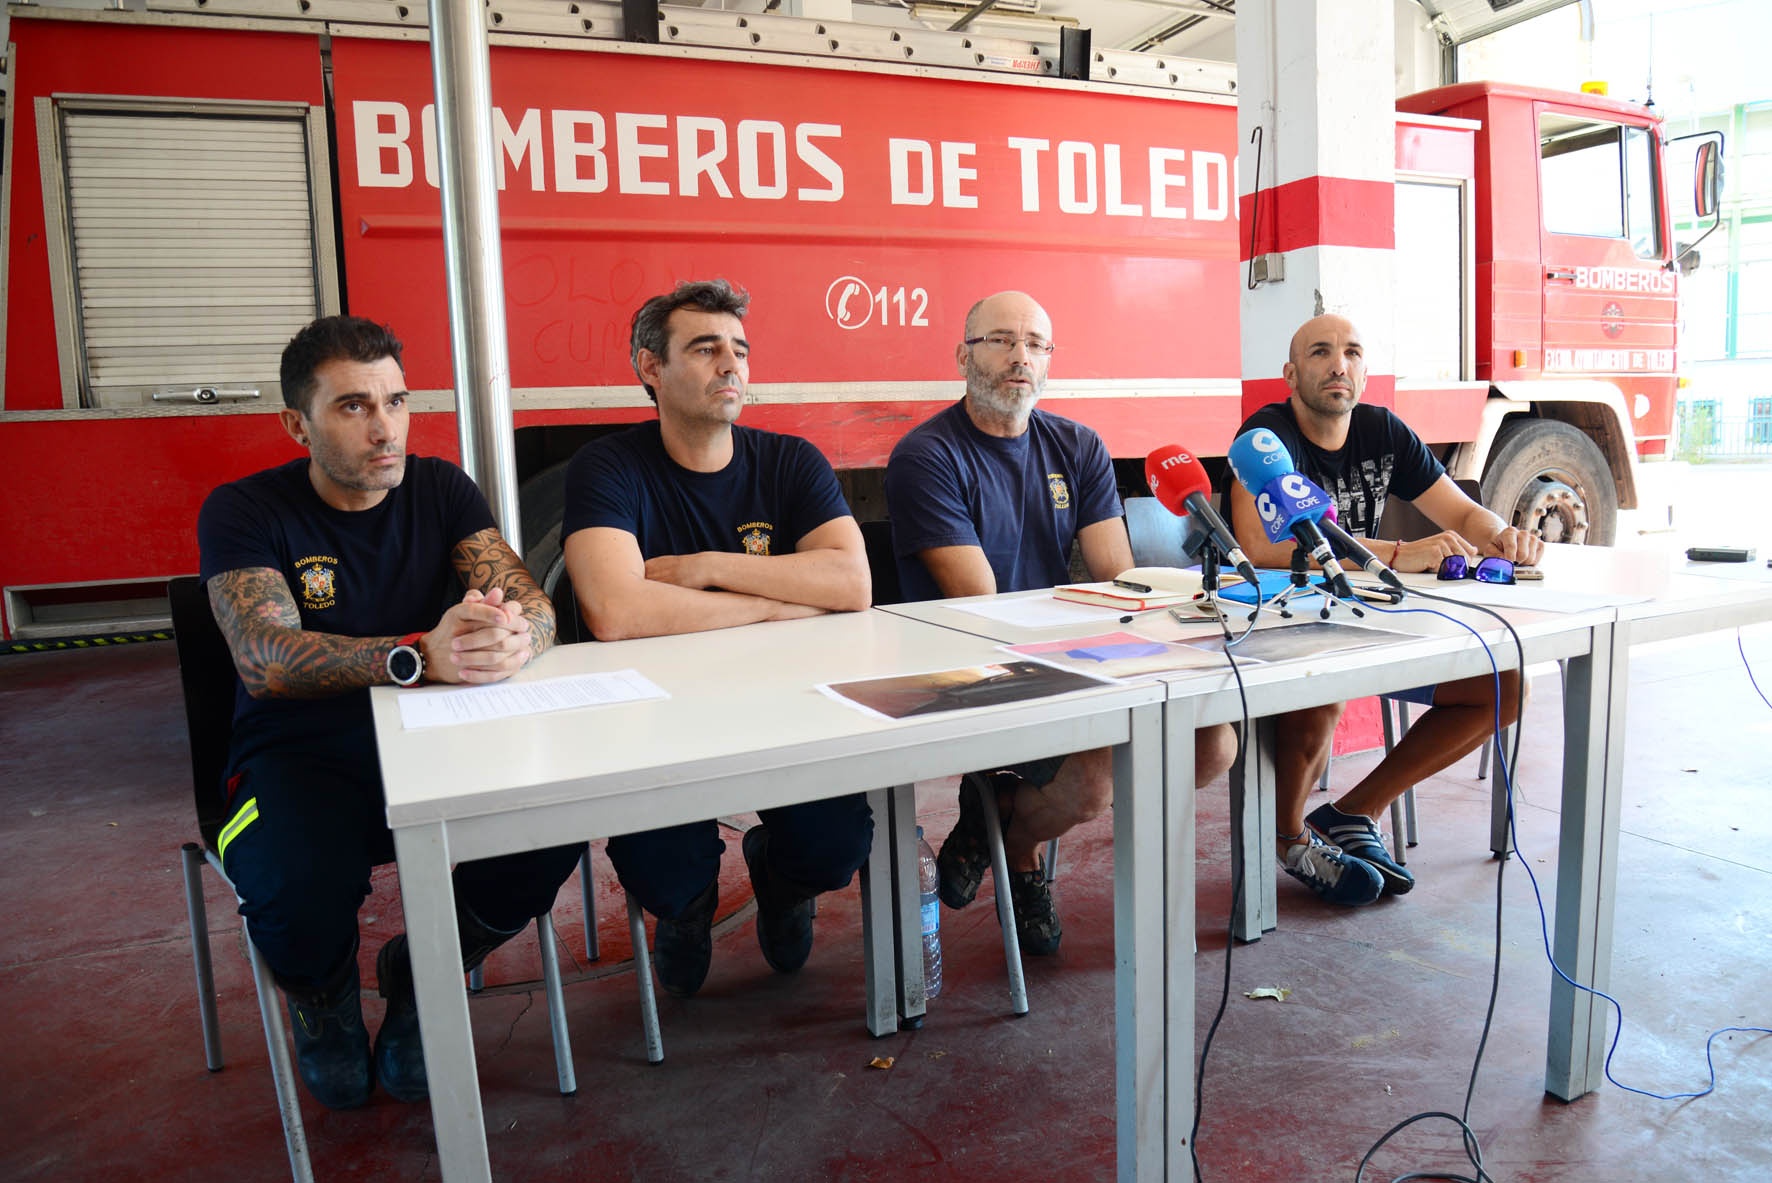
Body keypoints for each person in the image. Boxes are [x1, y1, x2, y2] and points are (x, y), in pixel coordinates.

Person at [198, 315, 583, 1110]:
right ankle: (324, 994)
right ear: (295, 423)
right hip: (298, 756)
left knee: (552, 826)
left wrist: (513, 637)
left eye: (397, 401)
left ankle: (425, 973)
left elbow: (533, 602)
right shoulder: (244, 510)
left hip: (439, 745)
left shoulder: (441, 488)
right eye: (353, 407)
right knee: (293, 884)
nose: (385, 429)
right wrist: (416, 655)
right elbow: (263, 655)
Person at [884, 290, 1238, 955]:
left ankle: (1003, 818)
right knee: (1094, 781)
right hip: (969, 668)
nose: (1020, 356)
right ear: (963, 355)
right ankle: (1018, 851)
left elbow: (1117, 577)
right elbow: (981, 601)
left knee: (1213, 744)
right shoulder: (925, 455)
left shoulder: (1078, 444)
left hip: (1068, 654)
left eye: (1036, 343)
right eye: (1000, 340)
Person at [561, 278, 873, 999]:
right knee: (663, 872)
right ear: (650, 368)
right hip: (656, 720)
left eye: (739, 350)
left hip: (787, 706)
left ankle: (781, 877)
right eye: (704, 349)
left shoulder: (791, 461)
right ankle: (690, 908)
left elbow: (851, 584)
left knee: (836, 848)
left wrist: (704, 571)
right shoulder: (607, 468)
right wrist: (774, 601)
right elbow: (616, 610)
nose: (730, 365)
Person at [1227, 313, 1544, 905]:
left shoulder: (1382, 431)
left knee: (1503, 686)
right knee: (1322, 681)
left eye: (1351, 352)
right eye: (1320, 353)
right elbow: (1261, 545)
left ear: (1365, 371)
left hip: (1364, 619)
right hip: (1277, 623)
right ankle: (1289, 838)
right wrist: (1399, 552)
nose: (1338, 364)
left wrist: (1502, 533)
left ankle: (1352, 813)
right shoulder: (1266, 438)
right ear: (1292, 375)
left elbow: (1461, 512)